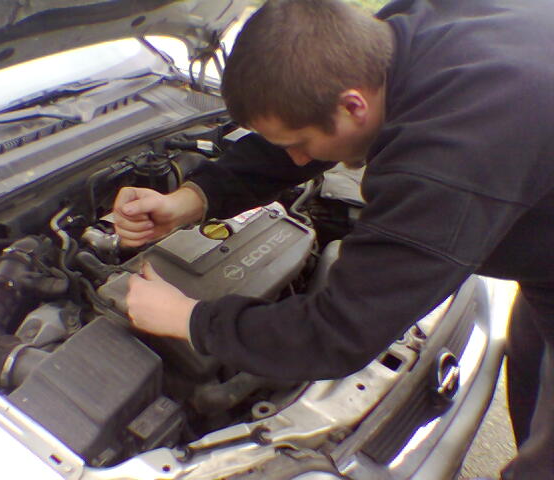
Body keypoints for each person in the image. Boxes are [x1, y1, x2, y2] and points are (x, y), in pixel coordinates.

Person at [113, 0, 554, 478]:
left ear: (353, 106)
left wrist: (189, 318)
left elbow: (340, 332)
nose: (300, 159)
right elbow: (300, 125)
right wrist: (195, 197)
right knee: (532, 367)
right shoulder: (389, 38)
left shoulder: (449, 156)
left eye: (300, 144)